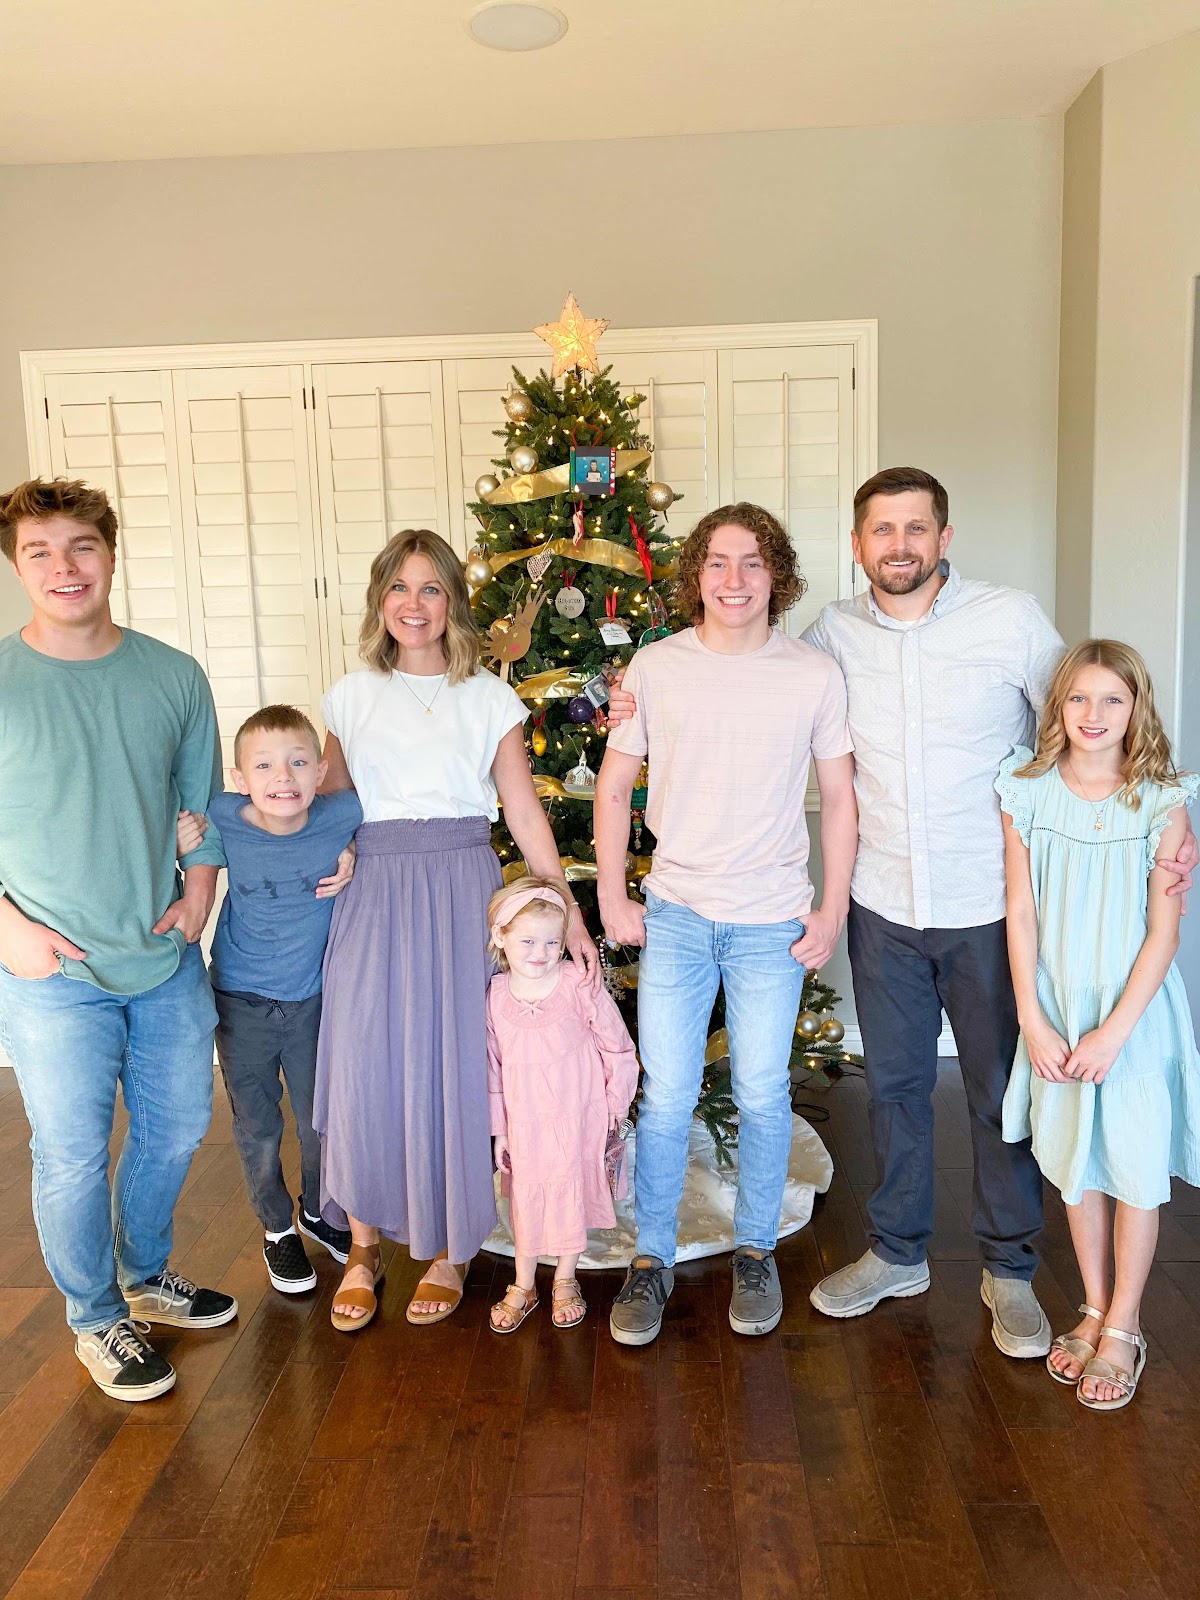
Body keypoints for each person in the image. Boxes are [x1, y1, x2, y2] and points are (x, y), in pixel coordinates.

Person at [314, 529, 598, 1333]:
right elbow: (330, 803)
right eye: (399, 588)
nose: (414, 604)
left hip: (460, 886)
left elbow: (523, 810)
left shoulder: (487, 699)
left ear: (453, 602)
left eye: (431, 588)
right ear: (380, 600)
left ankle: (449, 1248)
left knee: (456, 1062)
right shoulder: (351, 696)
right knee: (363, 1058)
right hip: (374, 887)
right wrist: (325, 846)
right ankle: (363, 1246)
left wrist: (568, 909)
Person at [596, 502, 857, 1345]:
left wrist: (831, 908)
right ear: (696, 575)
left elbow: (841, 798)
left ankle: (755, 1251)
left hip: (771, 922)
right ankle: (652, 1258)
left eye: (752, 562)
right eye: (717, 561)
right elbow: (613, 786)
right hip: (676, 915)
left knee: (762, 1093)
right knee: (667, 1095)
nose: (734, 579)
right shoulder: (656, 667)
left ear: (776, 574)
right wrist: (612, 896)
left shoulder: (812, 674)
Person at [0, 477, 235, 1403]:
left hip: (163, 953)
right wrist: (9, 931)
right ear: (18, 567)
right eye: (40, 552)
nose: (64, 567)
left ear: (110, 553)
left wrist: (199, 894)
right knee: (71, 1153)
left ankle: (144, 1275)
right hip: (50, 968)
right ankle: (97, 1317)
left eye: (82, 546)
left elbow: (201, 805)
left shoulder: (173, 675)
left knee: (176, 1130)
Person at [997, 640, 1200, 1410]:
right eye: (1078, 697)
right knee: (1077, 1162)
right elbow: (1020, 912)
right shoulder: (1026, 792)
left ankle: (1125, 1324)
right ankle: (1092, 1305)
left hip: (1132, 1015)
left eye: (1112, 699)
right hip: (1056, 1006)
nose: (1093, 713)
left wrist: (1114, 1032)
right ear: (1058, 706)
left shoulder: (1160, 801)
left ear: (1136, 708)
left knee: (1135, 1167)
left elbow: (1164, 935)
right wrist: (1033, 1017)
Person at [175, 705, 361, 1294]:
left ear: (320, 771)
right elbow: (173, 831)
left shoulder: (342, 814)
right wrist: (178, 841)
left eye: (298, 763)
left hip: (311, 1003)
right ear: (240, 779)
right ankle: (277, 1228)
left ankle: (317, 1211)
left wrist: (356, 852)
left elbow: (387, 832)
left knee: (319, 1120)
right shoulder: (222, 816)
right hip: (241, 1001)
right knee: (257, 1125)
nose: (283, 777)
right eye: (264, 766)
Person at [485, 876, 640, 1334]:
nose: (541, 952)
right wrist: (500, 1130)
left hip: (580, 1114)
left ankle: (565, 1277)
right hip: (525, 1121)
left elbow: (617, 1046)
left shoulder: (576, 983)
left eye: (552, 942)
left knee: (572, 1190)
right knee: (527, 1197)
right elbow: (492, 1068)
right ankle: (524, 1283)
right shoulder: (495, 995)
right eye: (528, 941)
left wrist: (614, 1106)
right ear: (500, 936)